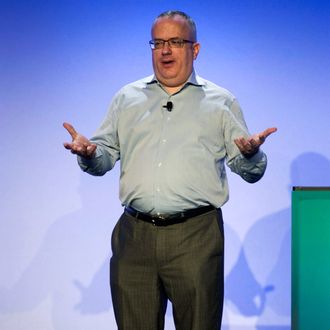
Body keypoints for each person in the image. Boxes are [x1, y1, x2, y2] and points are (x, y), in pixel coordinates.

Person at [63, 10, 277, 330]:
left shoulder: (221, 102)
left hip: (196, 237)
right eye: (158, 42)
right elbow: (104, 158)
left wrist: (250, 154)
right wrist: (90, 153)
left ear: (195, 49)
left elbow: (248, 169)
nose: (165, 50)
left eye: (175, 41)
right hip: (134, 237)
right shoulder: (127, 98)